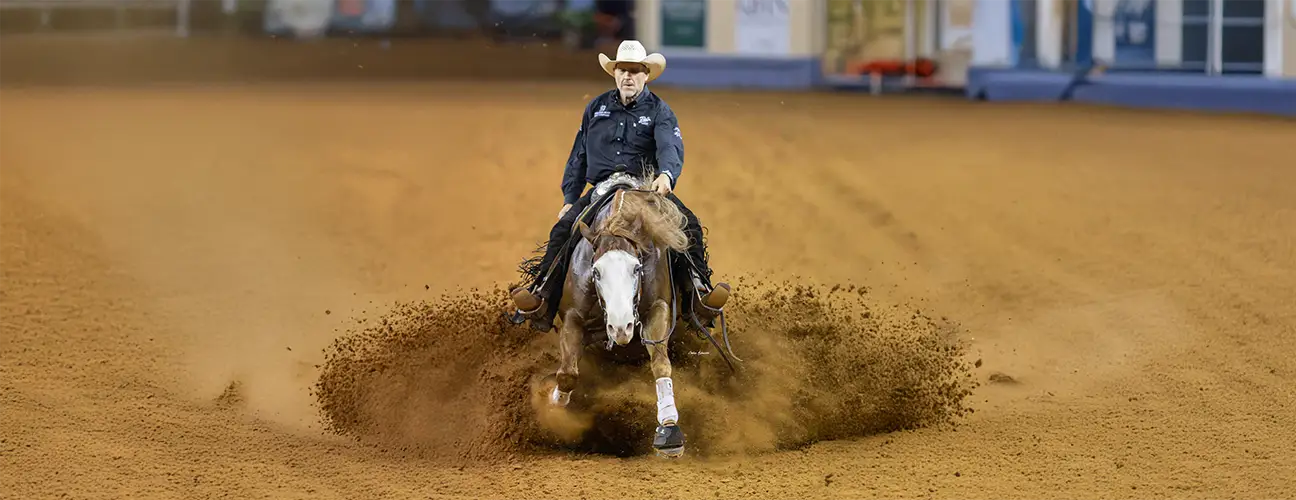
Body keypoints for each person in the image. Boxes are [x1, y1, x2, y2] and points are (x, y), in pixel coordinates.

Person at [509, 40, 729, 332]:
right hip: (602, 189)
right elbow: (579, 155)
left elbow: (669, 147)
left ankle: (698, 297)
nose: (628, 76)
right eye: (623, 70)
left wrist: (666, 175)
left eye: (635, 71)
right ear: (614, 73)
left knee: (688, 226)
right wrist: (570, 197)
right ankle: (543, 298)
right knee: (563, 230)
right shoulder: (596, 108)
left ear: (645, 75)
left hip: (645, 189)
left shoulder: (660, 111)